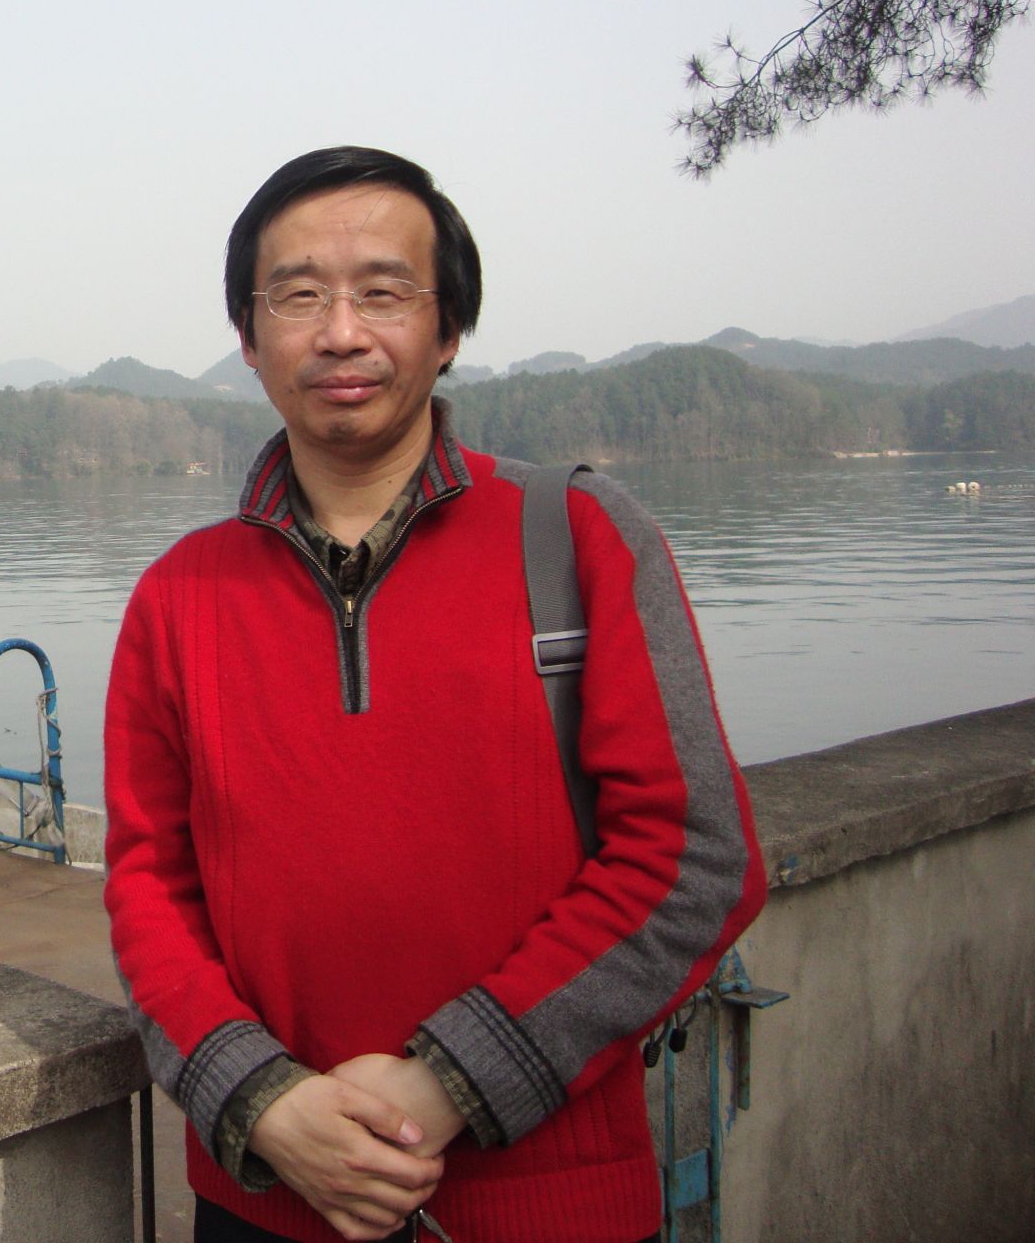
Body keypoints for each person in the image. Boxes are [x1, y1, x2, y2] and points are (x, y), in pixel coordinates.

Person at [102, 147, 767, 1243]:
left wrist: (452, 1079)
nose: (340, 332)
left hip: (552, 1210)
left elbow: (694, 857)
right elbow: (148, 888)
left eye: (383, 292)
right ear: (247, 336)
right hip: (263, 1206)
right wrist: (260, 1100)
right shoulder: (179, 598)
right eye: (297, 296)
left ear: (448, 327)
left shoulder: (578, 540)